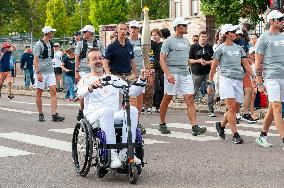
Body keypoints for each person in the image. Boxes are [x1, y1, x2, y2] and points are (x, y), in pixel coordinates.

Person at [77, 48, 147, 168]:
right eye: (94, 59)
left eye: (100, 58)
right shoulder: (85, 80)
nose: (98, 61)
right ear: (88, 63)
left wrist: (142, 79)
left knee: (133, 110)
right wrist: (90, 87)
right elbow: (80, 93)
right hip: (94, 116)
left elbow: (132, 91)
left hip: (114, 114)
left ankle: (127, 152)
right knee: (106, 111)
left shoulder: (113, 79)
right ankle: (112, 154)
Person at [158, 17, 207, 135]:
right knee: (167, 98)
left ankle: (195, 127)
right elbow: (162, 60)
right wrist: (168, 74)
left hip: (185, 73)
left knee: (190, 98)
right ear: (178, 27)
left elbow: (186, 59)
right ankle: (162, 123)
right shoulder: (168, 41)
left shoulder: (186, 41)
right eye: (184, 26)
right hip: (172, 73)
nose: (186, 27)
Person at [207, 24, 255, 144]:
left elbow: (246, 64)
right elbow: (213, 67)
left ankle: (221, 125)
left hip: (238, 80)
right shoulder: (220, 48)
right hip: (226, 80)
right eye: (231, 31)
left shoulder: (239, 48)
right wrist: (210, 82)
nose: (234, 33)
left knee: (236, 108)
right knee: (232, 108)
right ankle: (235, 134)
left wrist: (254, 76)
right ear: (226, 34)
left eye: (235, 31)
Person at [254, 10, 284, 149]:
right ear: (271, 21)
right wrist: (259, 82)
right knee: (277, 107)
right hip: (271, 77)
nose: (282, 20)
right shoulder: (263, 38)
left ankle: (262, 135)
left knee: (273, 108)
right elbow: (258, 63)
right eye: (279, 18)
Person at [33, 26, 65, 122]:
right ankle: (40, 113)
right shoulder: (39, 44)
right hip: (41, 72)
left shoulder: (51, 43)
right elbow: (35, 60)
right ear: (48, 33)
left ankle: (54, 114)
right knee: (39, 93)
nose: (53, 34)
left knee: (53, 92)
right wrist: (38, 73)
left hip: (50, 72)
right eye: (52, 32)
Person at [75, 25, 105, 121]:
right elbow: (77, 58)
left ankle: (94, 110)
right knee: (85, 90)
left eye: (85, 32)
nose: (83, 34)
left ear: (90, 32)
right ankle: (82, 109)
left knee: (97, 90)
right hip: (84, 70)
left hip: (97, 70)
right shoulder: (80, 44)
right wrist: (76, 71)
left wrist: (104, 70)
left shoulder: (99, 44)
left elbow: (103, 57)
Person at [189, 31, 215, 117]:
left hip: (208, 72)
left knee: (211, 90)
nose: (203, 38)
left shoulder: (209, 47)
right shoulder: (193, 47)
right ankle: (190, 107)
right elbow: (189, 60)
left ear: (207, 38)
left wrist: (207, 62)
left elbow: (214, 61)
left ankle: (211, 109)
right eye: (202, 36)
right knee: (194, 91)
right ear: (199, 37)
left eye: (205, 37)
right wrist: (198, 61)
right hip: (196, 72)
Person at [151, 28, 164, 112]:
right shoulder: (151, 45)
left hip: (162, 68)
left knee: (163, 88)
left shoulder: (163, 45)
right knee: (157, 87)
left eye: (155, 34)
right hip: (154, 68)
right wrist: (151, 67)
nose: (154, 36)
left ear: (159, 35)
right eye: (152, 35)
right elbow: (150, 56)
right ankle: (154, 104)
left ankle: (159, 105)